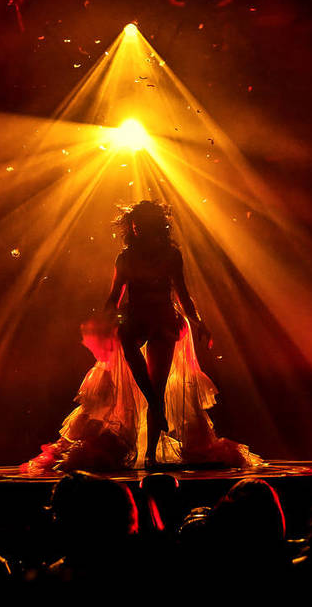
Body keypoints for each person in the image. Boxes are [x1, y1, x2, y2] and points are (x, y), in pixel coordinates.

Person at [22, 200, 259, 472]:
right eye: (134, 226)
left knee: (157, 387)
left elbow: (182, 294)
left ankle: (151, 453)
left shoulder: (170, 255)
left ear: (154, 226)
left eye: (141, 226)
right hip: (134, 318)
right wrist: (106, 317)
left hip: (162, 319)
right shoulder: (125, 258)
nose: (137, 230)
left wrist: (199, 322)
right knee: (132, 349)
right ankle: (154, 409)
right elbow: (114, 296)